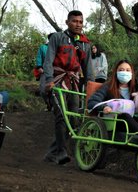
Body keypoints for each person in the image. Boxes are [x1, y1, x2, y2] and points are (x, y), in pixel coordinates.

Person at [43, 10, 94, 165]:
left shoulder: (85, 44)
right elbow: (48, 60)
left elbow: (88, 69)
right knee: (60, 115)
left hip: (74, 83)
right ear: (67, 22)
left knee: (73, 118)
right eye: (74, 21)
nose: (78, 24)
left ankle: (53, 153)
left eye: (80, 22)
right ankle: (62, 151)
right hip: (57, 80)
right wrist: (49, 79)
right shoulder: (57, 37)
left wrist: (91, 87)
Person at [35, 34, 53, 112]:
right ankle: (48, 104)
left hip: (56, 72)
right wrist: (39, 67)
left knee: (53, 90)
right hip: (44, 71)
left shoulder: (59, 48)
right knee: (42, 90)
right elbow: (39, 57)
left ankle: (53, 106)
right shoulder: (43, 47)